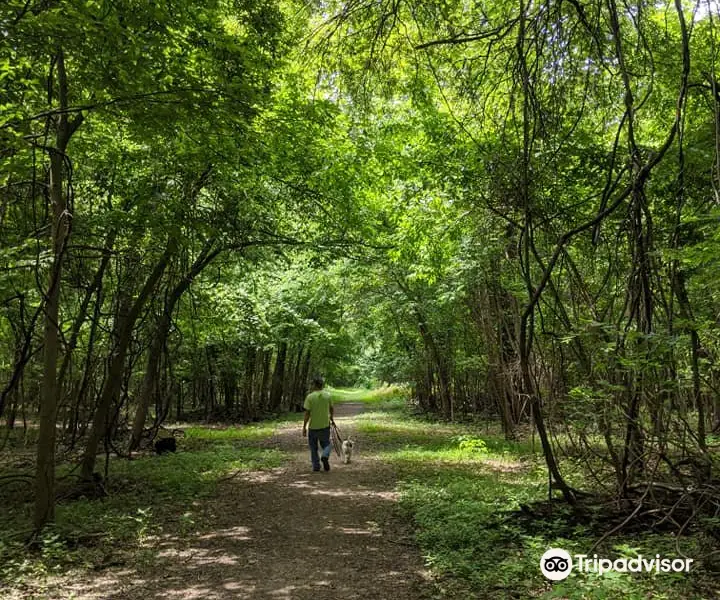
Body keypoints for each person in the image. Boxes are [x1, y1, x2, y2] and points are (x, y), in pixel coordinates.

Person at [302, 376, 334, 472]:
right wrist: (331, 417)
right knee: (327, 444)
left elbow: (307, 413)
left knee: (313, 447)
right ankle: (325, 455)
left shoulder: (310, 397)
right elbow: (331, 408)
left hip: (313, 427)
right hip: (324, 426)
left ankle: (316, 466)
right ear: (321, 385)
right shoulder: (328, 395)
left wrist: (304, 427)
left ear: (314, 385)